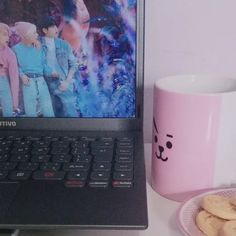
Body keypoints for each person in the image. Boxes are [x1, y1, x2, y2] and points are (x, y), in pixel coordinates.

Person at [13, 21, 55, 117]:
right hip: (28, 84)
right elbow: (15, 67)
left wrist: (52, 72)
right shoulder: (15, 49)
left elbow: (44, 65)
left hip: (42, 82)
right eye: (34, 33)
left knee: (49, 113)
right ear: (25, 35)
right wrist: (22, 75)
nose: (37, 35)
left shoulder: (39, 47)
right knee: (30, 113)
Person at [40, 16, 78, 117]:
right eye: (52, 27)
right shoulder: (38, 44)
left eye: (56, 26)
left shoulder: (64, 44)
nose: (56, 29)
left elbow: (74, 65)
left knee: (71, 113)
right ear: (44, 30)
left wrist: (67, 81)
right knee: (54, 114)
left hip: (62, 82)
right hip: (45, 82)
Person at [0, 23, 19, 117]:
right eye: (4, 34)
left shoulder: (10, 54)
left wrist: (14, 103)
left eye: (8, 35)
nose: (7, 37)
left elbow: (14, 79)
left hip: (3, 81)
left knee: (8, 113)